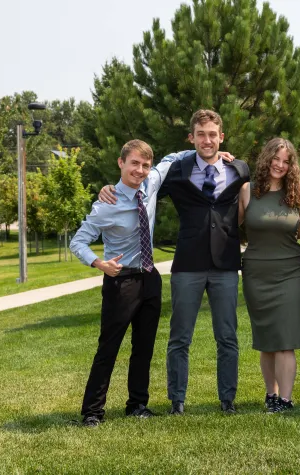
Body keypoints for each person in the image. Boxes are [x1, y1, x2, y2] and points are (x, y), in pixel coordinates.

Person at [99, 109, 248, 415]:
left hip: (225, 265)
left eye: (212, 135)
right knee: (180, 337)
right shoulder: (177, 171)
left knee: (228, 336)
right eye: (200, 134)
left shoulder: (239, 170)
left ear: (222, 137)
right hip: (187, 264)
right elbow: (141, 185)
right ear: (191, 137)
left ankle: (227, 400)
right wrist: (111, 187)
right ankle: (177, 400)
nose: (207, 141)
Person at [70, 140, 166, 427]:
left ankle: (137, 404)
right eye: (134, 163)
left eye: (145, 165)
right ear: (121, 162)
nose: (140, 170)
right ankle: (92, 412)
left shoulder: (151, 185)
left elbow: (176, 157)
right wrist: (99, 263)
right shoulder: (106, 204)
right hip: (120, 281)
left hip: (150, 277)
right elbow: (78, 241)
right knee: (108, 348)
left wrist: (218, 153)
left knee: (144, 347)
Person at [239, 137, 300, 413]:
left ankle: (286, 400)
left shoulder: (297, 192)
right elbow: (230, 225)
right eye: (275, 159)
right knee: (266, 338)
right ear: (266, 158)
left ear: (291, 165)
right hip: (256, 271)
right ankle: (271, 395)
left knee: (285, 337)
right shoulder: (247, 191)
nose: (279, 165)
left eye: (286, 161)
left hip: (290, 271)